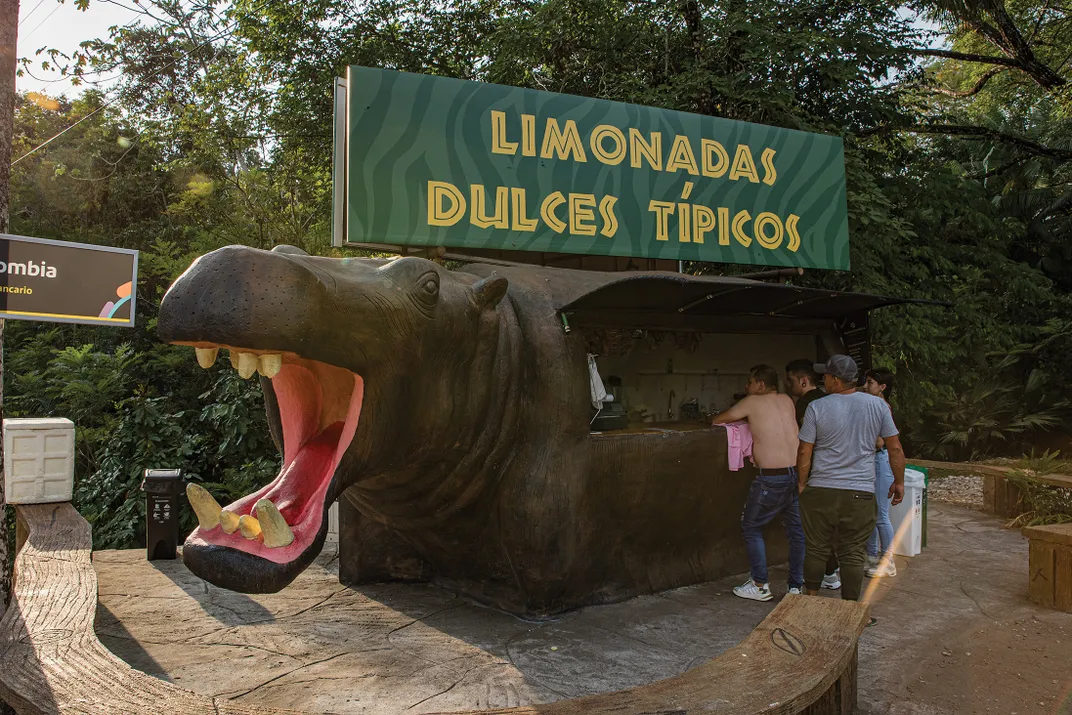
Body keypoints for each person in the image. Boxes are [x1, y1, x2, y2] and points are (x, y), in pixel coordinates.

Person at [796, 355, 906, 603]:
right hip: (860, 493)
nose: (823, 380)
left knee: (816, 548)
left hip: (822, 489)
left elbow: (805, 450)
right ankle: (850, 608)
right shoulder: (877, 406)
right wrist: (898, 482)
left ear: (835, 379)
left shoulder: (817, 407)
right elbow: (895, 448)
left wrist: (803, 483)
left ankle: (811, 600)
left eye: (825, 376)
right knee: (853, 553)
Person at [712, 364, 805, 601]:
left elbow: (718, 420)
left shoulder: (752, 402)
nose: (746, 386)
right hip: (795, 474)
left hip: (771, 478)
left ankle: (760, 584)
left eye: (750, 382)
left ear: (761, 385)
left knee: (751, 527)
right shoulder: (787, 400)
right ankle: (796, 586)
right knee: (796, 533)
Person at [785, 359, 841, 591]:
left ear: (803, 380)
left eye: (790, 381)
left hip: (817, 470)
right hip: (835, 468)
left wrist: (801, 478)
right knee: (825, 525)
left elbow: (805, 444)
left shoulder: (806, 404)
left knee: (812, 527)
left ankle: (825, 574)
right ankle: (831, 570)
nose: (788, 387)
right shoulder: (830, 400)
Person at [864, 368, 898, 578]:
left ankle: (888, 560)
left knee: (880, 516)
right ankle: (871, 557)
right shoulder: (871, 405)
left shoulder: (882, 407)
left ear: (882, 387)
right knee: (870, 515)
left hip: (879, 460)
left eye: (870, 383)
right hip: (870, 461)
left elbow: (880, 441)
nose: (865, 386)